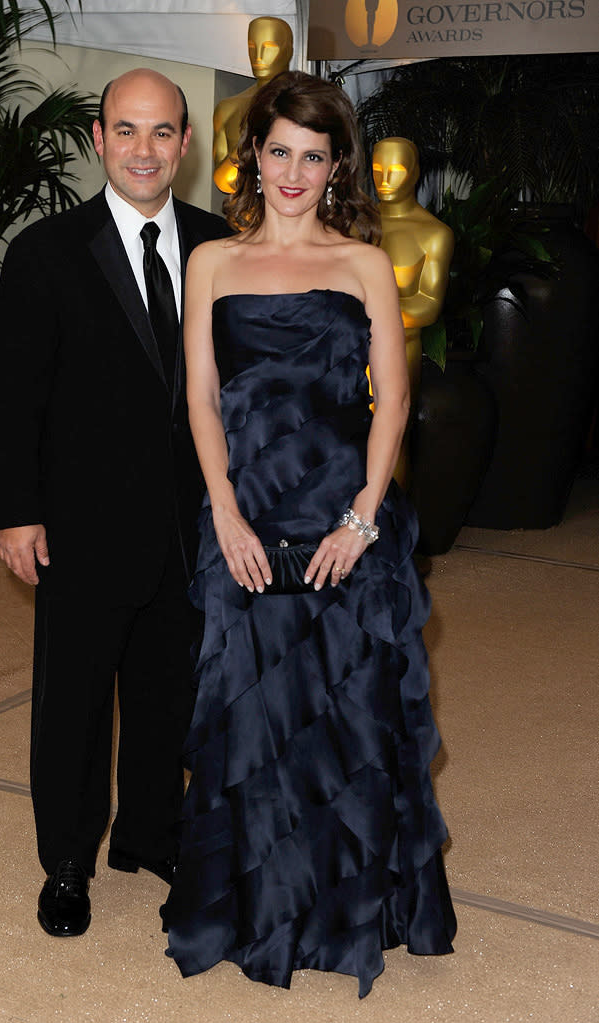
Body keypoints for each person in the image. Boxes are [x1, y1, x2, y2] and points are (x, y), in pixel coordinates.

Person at [161, 71, 457, 997]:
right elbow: (199, 396)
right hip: (245, 516)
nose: (293, 171)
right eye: (278, 149)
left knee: (349, 711)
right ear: (253, 155)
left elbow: (393, 400)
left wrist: (365, 516)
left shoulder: (365, 263)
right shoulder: (210, 260)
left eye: (313, 155)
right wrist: (222, 508)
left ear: (338, 168)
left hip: (340, 519)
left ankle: (348, 908)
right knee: (248, 716)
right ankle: (256, 905)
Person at [0, 69, 230, 938]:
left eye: (161, 132)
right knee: (75, 705)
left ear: (185, 144)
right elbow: (13, 393)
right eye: (125, 131)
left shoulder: (216, 245)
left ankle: (152, 834)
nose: (143, 150)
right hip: (80, 526)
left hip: (190, 529)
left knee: (171, 693)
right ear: (98, 139)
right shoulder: (46, 251)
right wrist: (15, 510)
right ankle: (67, 861)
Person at [372, 136, 454, 486]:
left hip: (398, 347)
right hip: (345, 345)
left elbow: (427, 306)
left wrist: (370, 310)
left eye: (396, 170)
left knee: (390, 441)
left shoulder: (433, 233)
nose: (384, 181)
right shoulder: (353, 222)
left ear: (415, 173)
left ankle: (389, 531)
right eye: (377, 170)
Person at [212, 17, 293, 194]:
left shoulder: (308, 105)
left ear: (288, 51)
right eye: (252, 47)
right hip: (245, 217)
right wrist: (242, 149)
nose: (258, 57)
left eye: (269, 48)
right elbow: (222, 181)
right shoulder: (228, 108)